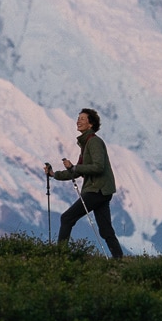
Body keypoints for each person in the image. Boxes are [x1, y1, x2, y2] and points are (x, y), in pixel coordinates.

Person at [44, 108, 125, 259]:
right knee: (106, 229)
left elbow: (98, 166)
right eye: (78, 118)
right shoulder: (87, 143)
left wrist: (74, 167)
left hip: (96, 190)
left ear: (91, 124)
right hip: (102, 191)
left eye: (82, 119)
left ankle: (60, 256)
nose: (78, 121)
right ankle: (119, 259)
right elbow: (78, 170)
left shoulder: (93, 142)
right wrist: (54, 174)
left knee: (67, 218)